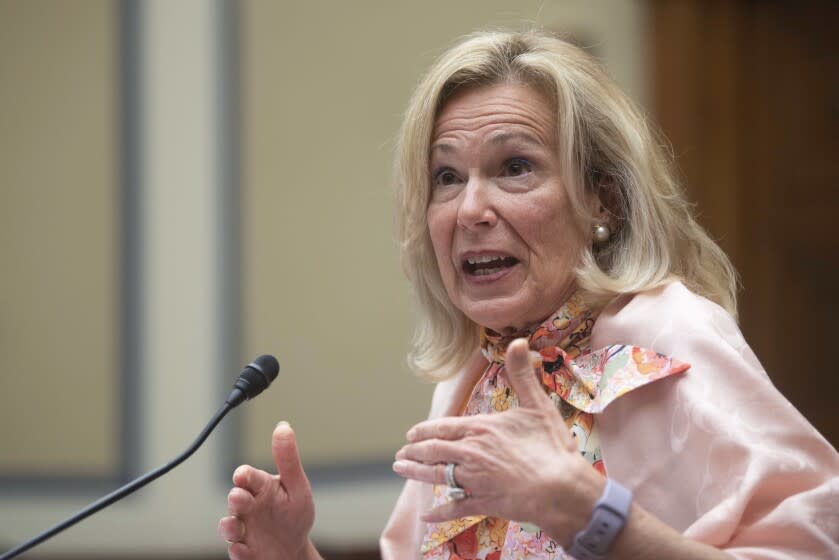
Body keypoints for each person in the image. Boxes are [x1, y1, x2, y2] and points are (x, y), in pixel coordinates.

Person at [218, 30, 839, 559]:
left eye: (515, 167)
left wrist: (589, 513)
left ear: (603, 200)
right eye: (446, 177)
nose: (471, 208)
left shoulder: (670, 335)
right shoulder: (469, 378)